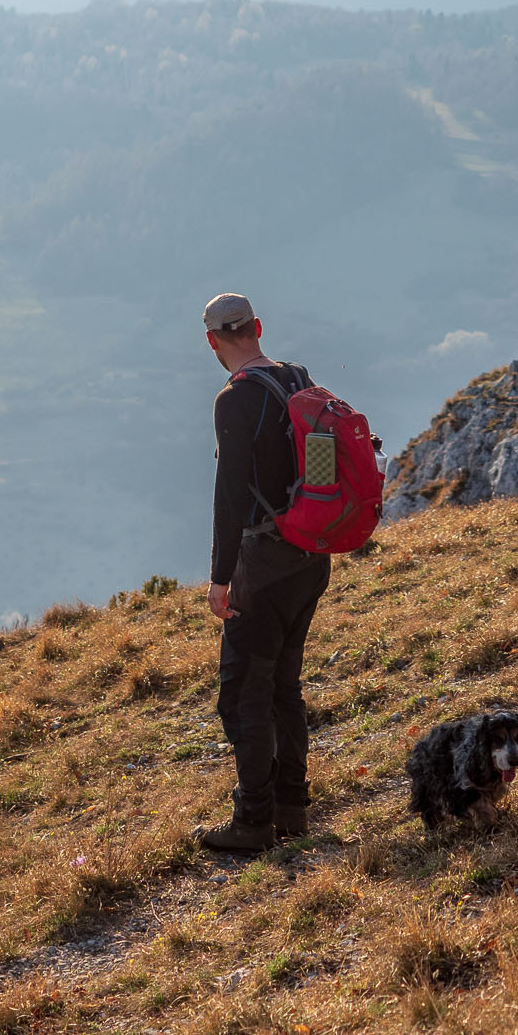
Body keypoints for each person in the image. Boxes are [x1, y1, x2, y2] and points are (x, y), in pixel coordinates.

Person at [194, 293, 332, 854]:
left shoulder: (236, 399)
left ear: (212, 342)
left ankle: (253, 822)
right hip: (311, 556)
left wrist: (220, 576)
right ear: (257, 327)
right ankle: (291, 807)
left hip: (265, 565)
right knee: (283, 685)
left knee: (241, 694)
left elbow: (230, 498)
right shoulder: (297, 377)